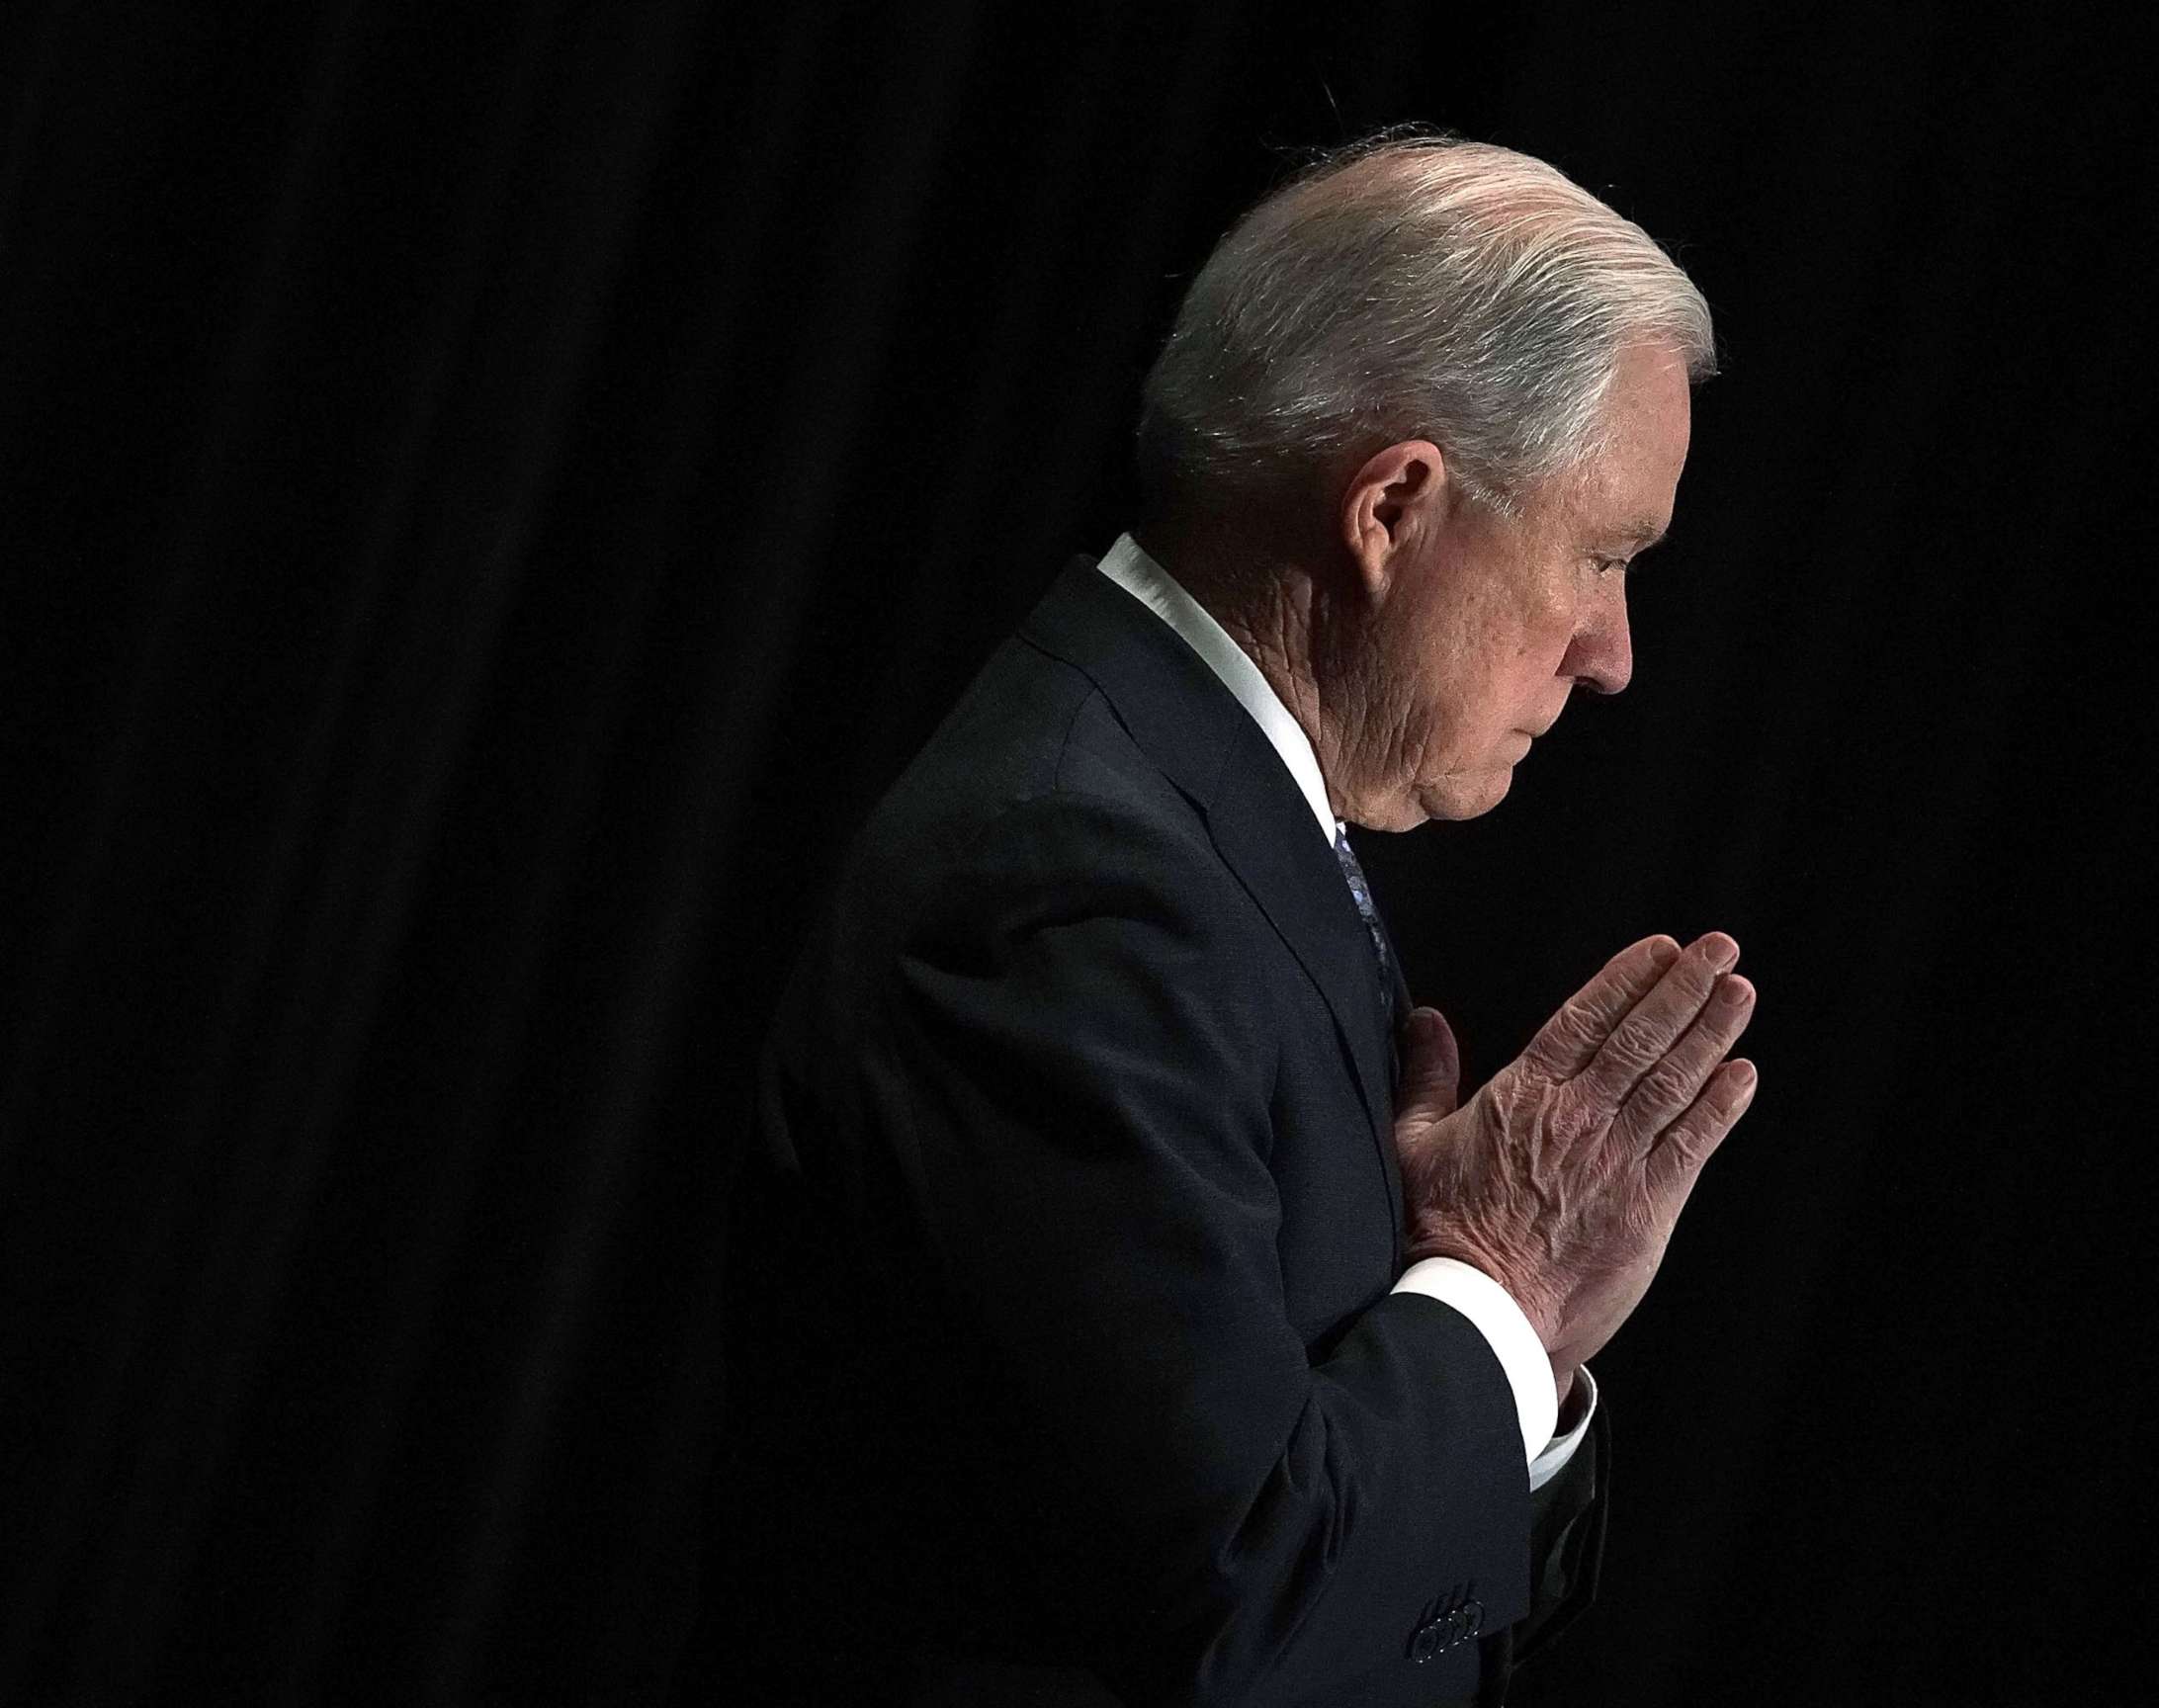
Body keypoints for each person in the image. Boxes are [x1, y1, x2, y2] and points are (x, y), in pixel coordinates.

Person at [673, 126, 1756, 1708]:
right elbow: (1237, 1603)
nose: (1612, 654)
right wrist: (1496, 1291)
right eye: (1600, 555)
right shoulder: (1071, 886)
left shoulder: (1207, 817)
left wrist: (1497, 1344)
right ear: (1392, 507)